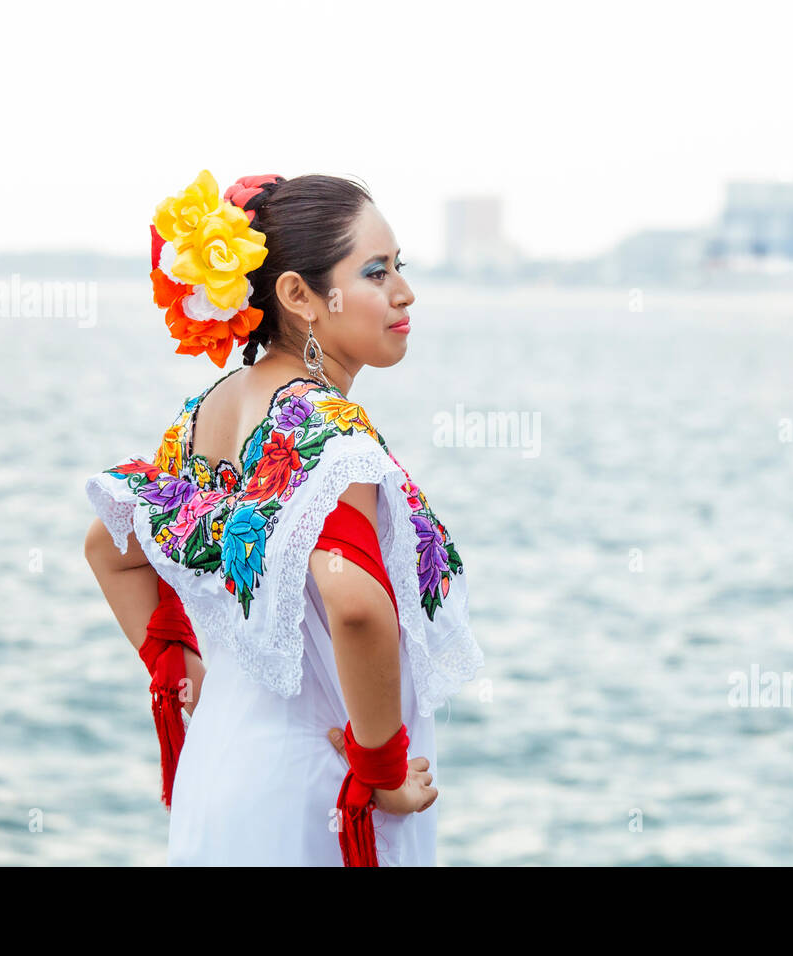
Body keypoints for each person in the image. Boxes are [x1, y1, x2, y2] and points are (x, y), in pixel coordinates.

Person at [82, 170, 483, 865]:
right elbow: (355, 603)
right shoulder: (326, 431)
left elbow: (109, 546)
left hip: (222, 770)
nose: (404, 292)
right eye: (376, 271)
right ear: (299, 295)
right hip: (316, 794)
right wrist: (382, 768)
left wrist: (183, 667)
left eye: (401, 268)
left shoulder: (207, 411)